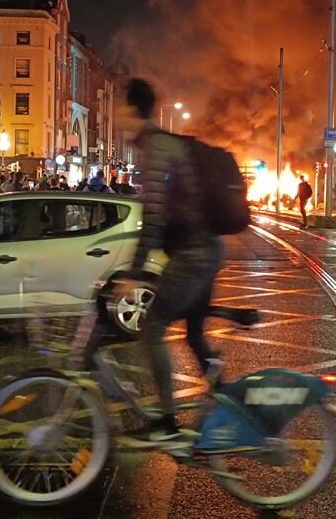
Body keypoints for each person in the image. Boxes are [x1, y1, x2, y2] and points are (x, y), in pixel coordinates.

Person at [113, 78, 224, 442]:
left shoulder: (156, 147)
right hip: (203, 250)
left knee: (152, 327)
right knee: (193, 334)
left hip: (194, 254)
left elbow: (155, 217)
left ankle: (165, 424)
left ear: (132, 109)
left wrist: (134, 272)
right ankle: (227, 401)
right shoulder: (157, 144)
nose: (115, 112)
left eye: (119, 105)